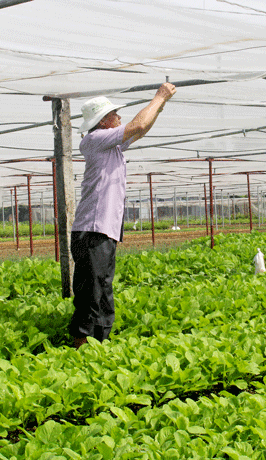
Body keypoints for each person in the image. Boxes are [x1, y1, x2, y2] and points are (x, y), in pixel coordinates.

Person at [69, 82, 176, 348]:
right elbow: (137, 126)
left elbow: (141, 130)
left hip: (104, 229)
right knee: (90, 290)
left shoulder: (111, 146)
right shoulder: (94, 140)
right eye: (115, 114)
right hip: (91, 229)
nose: (119, 118)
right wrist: (159, 96)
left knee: (103, 287)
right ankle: (80, 343)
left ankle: (100, 342)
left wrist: (160, 106)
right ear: (103, 122)